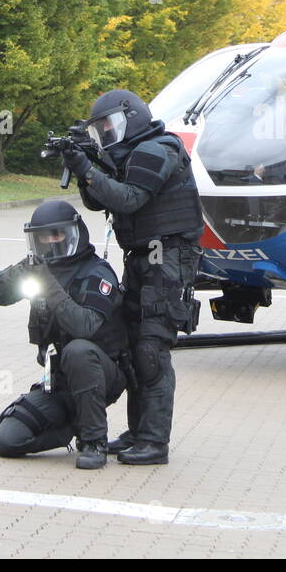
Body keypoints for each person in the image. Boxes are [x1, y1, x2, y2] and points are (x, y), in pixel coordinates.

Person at [61, 90, 203, 466]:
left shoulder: (159, 149)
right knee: (133, 345)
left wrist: (89, 168)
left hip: (169, 258)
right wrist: (84, 166)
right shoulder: (128, 155)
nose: (106, 133)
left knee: (152, 349)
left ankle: (154, 442)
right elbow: (99, 200)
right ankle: (137, 433)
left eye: (109, 126)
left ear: (132, 117)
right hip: (144, 257)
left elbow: (128, 200)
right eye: (100, 130)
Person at [0, 200, 130, 470]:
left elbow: (84, 327)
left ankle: (94, 441)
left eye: (56, 234)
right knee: (9, 440)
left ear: (73, 233)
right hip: (59, 382)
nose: (50, 242)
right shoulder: (39, 270)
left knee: (78, 350)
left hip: (103, 374)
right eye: (42, 237)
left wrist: (47, 283)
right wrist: (22, 270)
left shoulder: (96, 273)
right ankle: (71, 427)